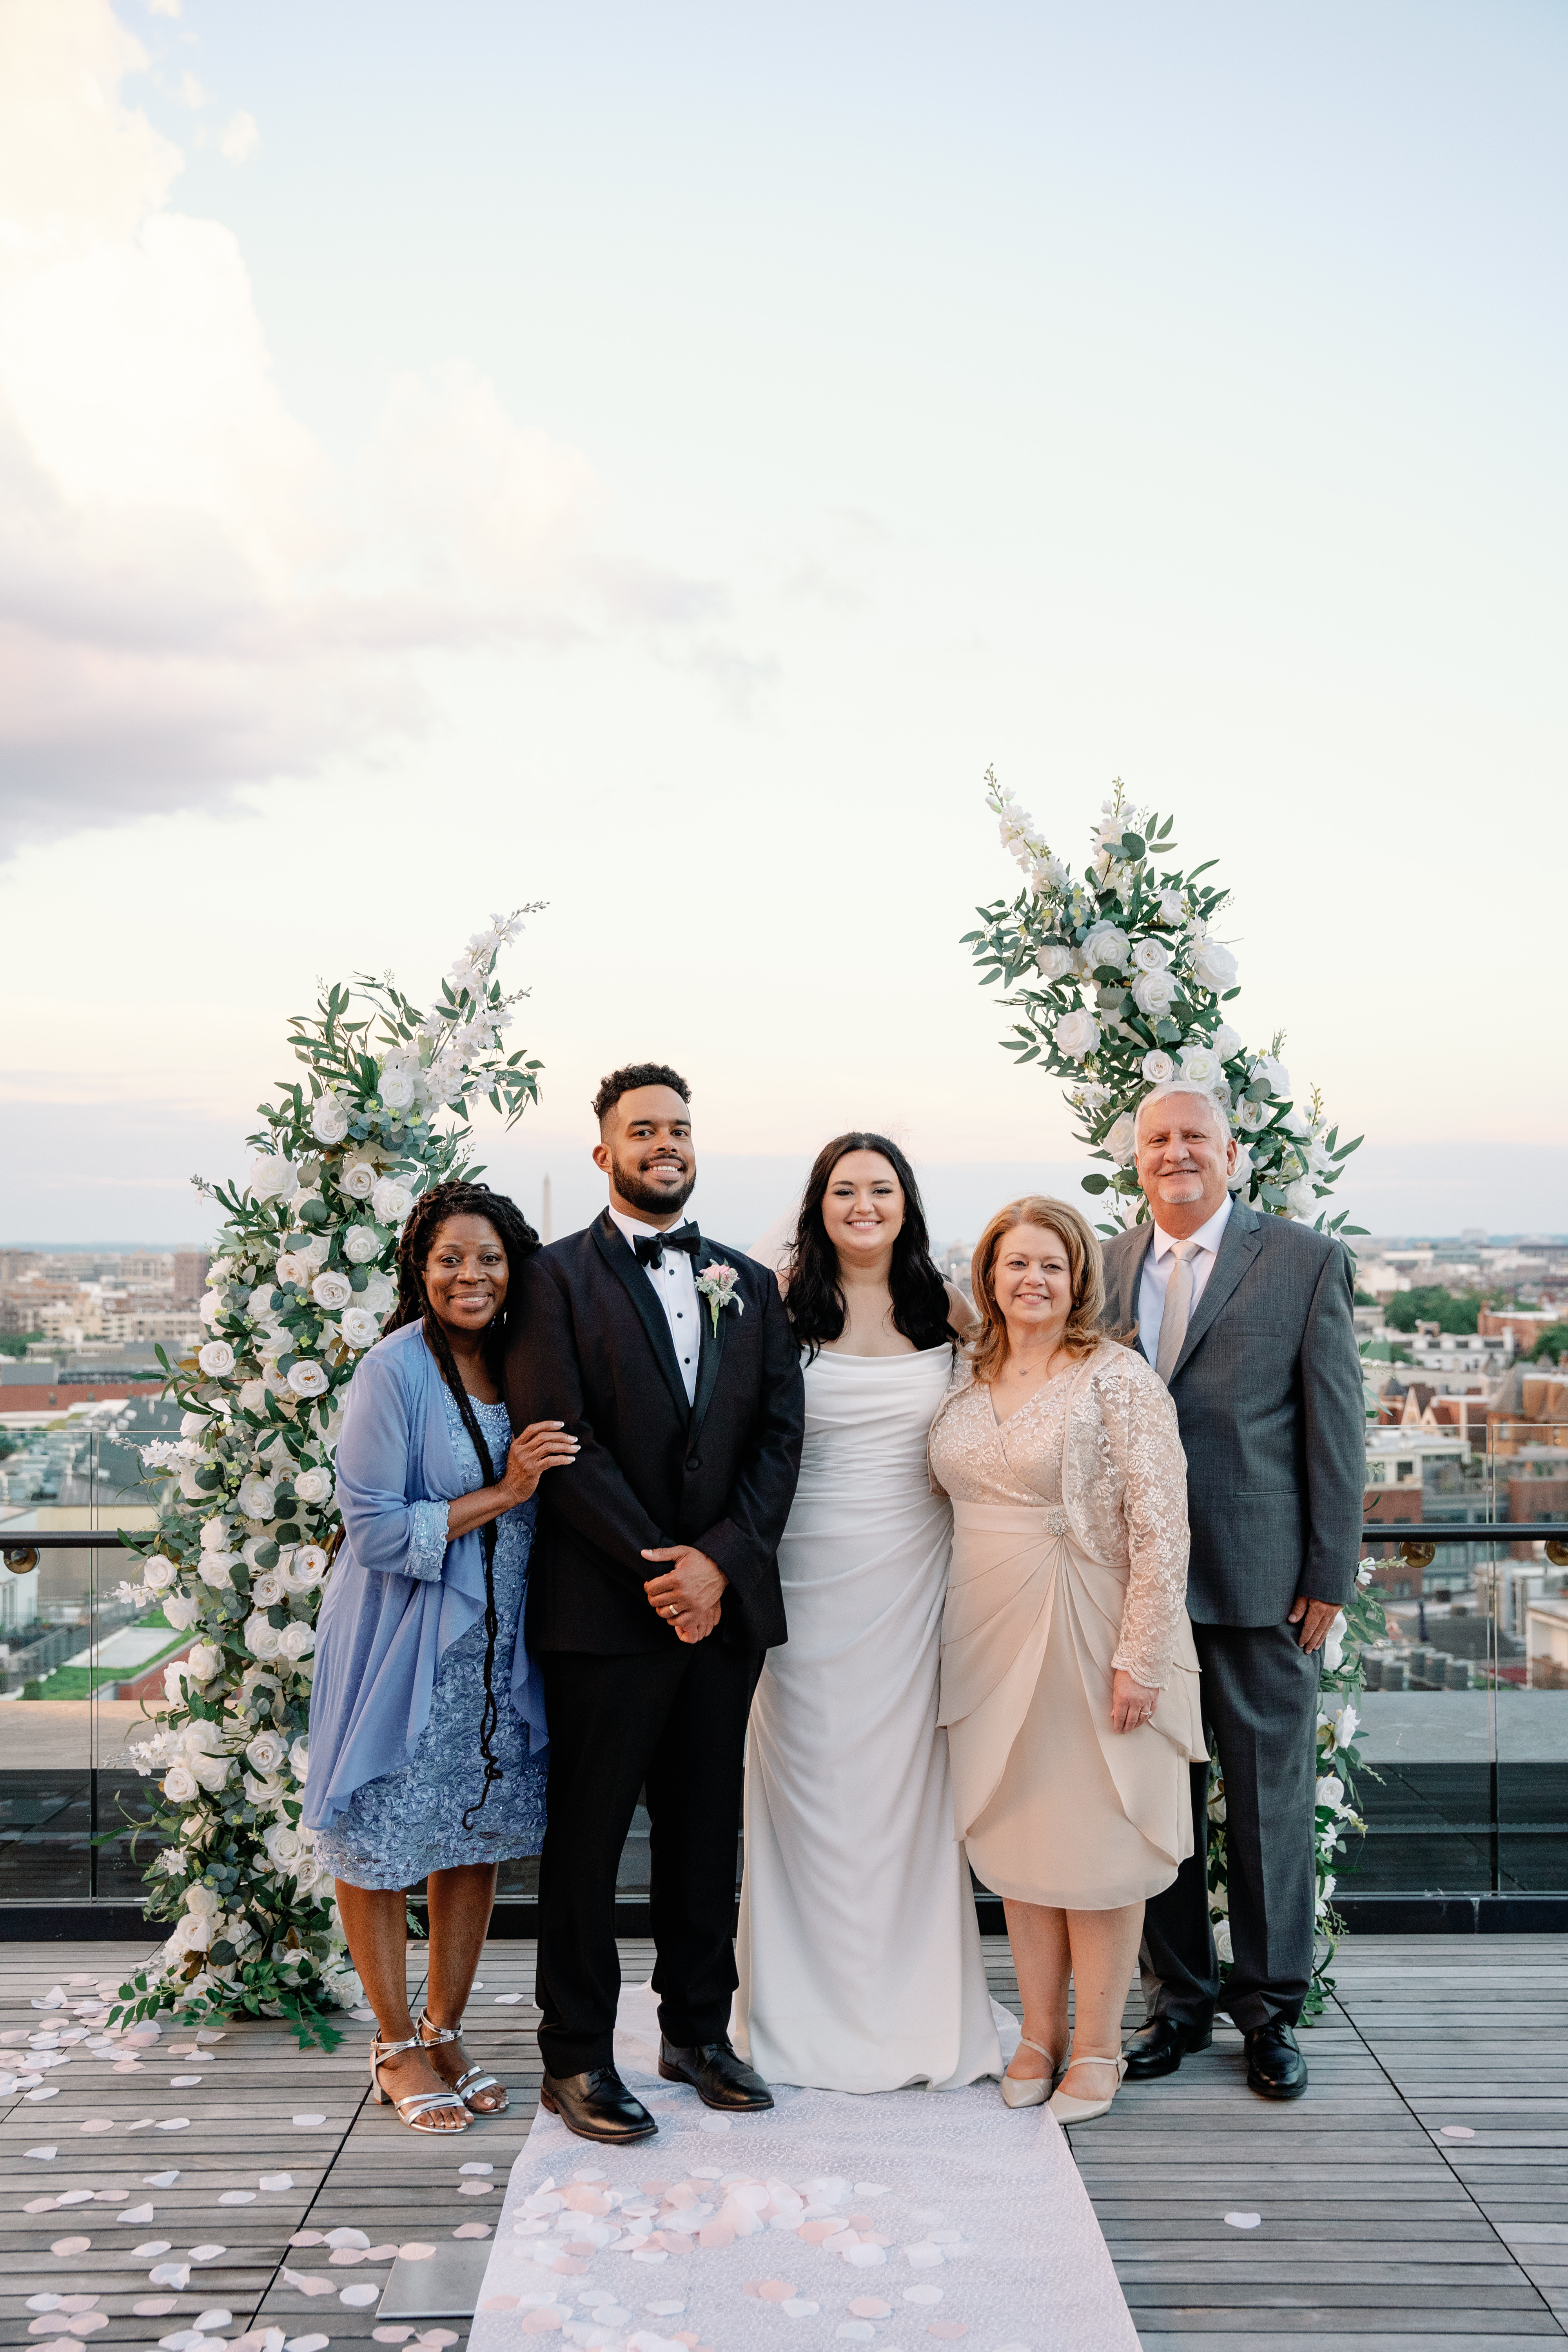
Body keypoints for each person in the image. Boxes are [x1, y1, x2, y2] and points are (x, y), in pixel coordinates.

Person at [506, 1062, 805, 2144]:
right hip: (603, 1614)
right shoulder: (550, 1279)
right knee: (585, 1844)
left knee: (701, 1832)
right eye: (642, 1131)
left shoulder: (750, 1283)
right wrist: (660, 1569)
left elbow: (780, 1440)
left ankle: (696, 2033)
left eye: (678, 1127)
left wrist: (718, 1565)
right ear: (605, 1153)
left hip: (722, 1617)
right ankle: (577, 2057)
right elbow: (556, 1437)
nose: (664, 1143)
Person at [1101, 1082, 1365, 2102]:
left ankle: (1269, 2011)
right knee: (1158, 1804)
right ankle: (1176, 2000)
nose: (1176, 1153)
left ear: (1232, 1152)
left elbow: (1336, 1429)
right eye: (1158, 1139)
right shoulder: (1108, 1267)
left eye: (1194, 1137)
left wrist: (1328, 1575)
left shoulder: (1303, 1262)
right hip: (1139, 1593)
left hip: (1262, 1587)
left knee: (1266, 1807)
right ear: (1137, 1160)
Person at [306, 1179, 578, 2134]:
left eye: (490, 1258)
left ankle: (445, 2026)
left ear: (516, 1273)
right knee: (381, 1833)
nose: (471, 1274)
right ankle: (392, 2042)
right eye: (451, 1258)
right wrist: (507, 1492)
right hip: (401, 1641)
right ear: (420, 1271)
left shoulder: (526, 1360)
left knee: (470, 1837)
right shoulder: (392, 1370)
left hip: (499, 1647)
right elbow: (375, 1532)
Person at [734, 1132, 999, 2093]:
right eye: (843, 1190)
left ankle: (916, 2013)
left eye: (879, 1189)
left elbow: (1019, 1384)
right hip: (800, 1575)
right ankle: (797, 2017)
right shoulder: (775, 1303)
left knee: (907, 1794)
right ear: (817, 1203)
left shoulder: (947, 1303)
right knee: (808, 1791)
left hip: (914, 1577)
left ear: (904, 1202)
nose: (862, 1204)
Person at [931, 1197, 1200, 2125]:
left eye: (1051, 1263)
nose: (1032, 1279)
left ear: (1078, 1277)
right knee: (1019, 1843)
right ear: (989, 1277)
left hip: (1091, 1629)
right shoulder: (961, 1383)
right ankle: (1037, 2034)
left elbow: (1162, 1529)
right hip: (983, 1633)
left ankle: (1096, 2045)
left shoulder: (1118, 1380)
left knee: (1099, 1846)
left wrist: (1141, 1658)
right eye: (1015, 1264)